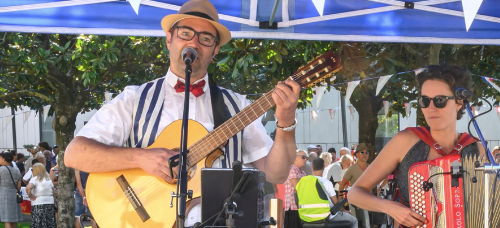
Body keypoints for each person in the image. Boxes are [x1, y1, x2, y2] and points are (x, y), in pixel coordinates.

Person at [64, 0, 300, 189]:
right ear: (169, 38)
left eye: (205, 39)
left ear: (216, 50)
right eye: (186, 33)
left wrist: (286, 123)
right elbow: (75, 154)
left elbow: (276, 174)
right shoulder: (135, 99)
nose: (194, 43)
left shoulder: (237, 105)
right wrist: (142, 158)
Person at [347, 65, 500, 228]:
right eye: (425, 101)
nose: (431, 108)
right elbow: (355, 193)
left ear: (460, 102)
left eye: (440, 100)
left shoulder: (476, 148)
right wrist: (391, 208)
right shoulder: (405, 141)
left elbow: (491, 212)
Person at [296, 158, 358, 227]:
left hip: (305, 218)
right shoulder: (326, 182)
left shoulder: (303, 182)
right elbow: (336, 203)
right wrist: (344, 210)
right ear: (324, 167)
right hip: (325, 217)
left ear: (312, 167)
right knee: (354, 221)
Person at [27, 163, 56, 228]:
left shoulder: (34, 179)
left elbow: (29, 187)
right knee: (49, 222)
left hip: (38, 202)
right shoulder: (48, 179)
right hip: (49, 202)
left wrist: (30, 195)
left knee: (38, 222)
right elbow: (54, 191)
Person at [285, 149, 308, 228]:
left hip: (299, 206)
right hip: (292, 206)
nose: (305, 160)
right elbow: (299, 187)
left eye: (306, 158)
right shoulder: (291, 169)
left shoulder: (302, 172)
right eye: (303, 157)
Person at [0, 152, 23, 228]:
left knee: (7, 219)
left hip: (4, 194)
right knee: (13, 219)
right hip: (14, 194)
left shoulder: (1, 169)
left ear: (4, 159)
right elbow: (19, 186)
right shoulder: (17, 170)